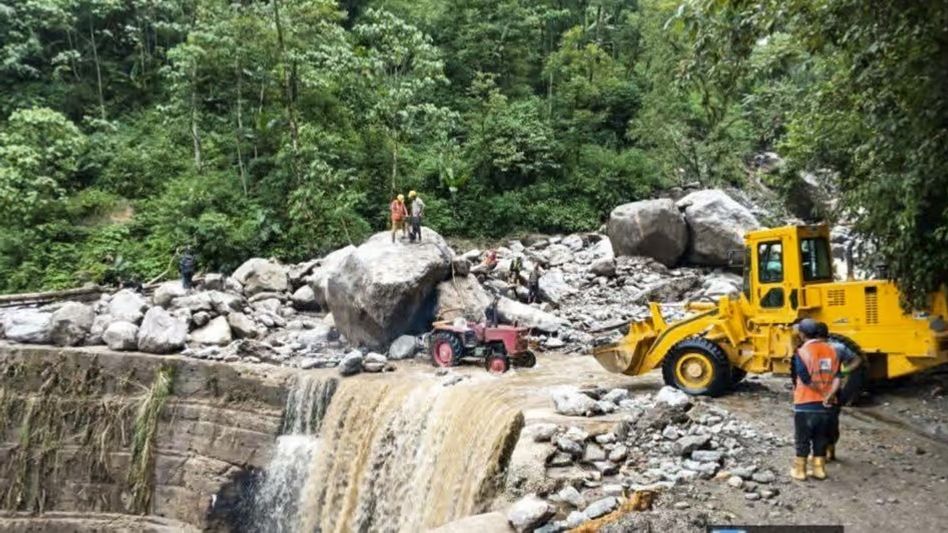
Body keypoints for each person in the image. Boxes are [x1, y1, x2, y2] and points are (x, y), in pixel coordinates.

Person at [789, 318, 841, 481]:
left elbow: (805, 378)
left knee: (802, 438)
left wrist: (821, 392)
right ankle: (819, 469)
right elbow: (838, 377)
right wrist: (829, 394)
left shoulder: (801, 352)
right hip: (826, 405)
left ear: (802, 334)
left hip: (805, 403)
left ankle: (800, 470)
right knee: (821, 437)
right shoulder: (832, 351)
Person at [817, 322, 863, 461]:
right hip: (831, 391)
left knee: (822, 422)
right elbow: (857, 360)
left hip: (823, 391)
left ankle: (825, 452)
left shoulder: (830, 348)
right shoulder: (838, 347)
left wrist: (843, 372)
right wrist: (844, 371)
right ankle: (829, 450)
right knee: (831, 421)